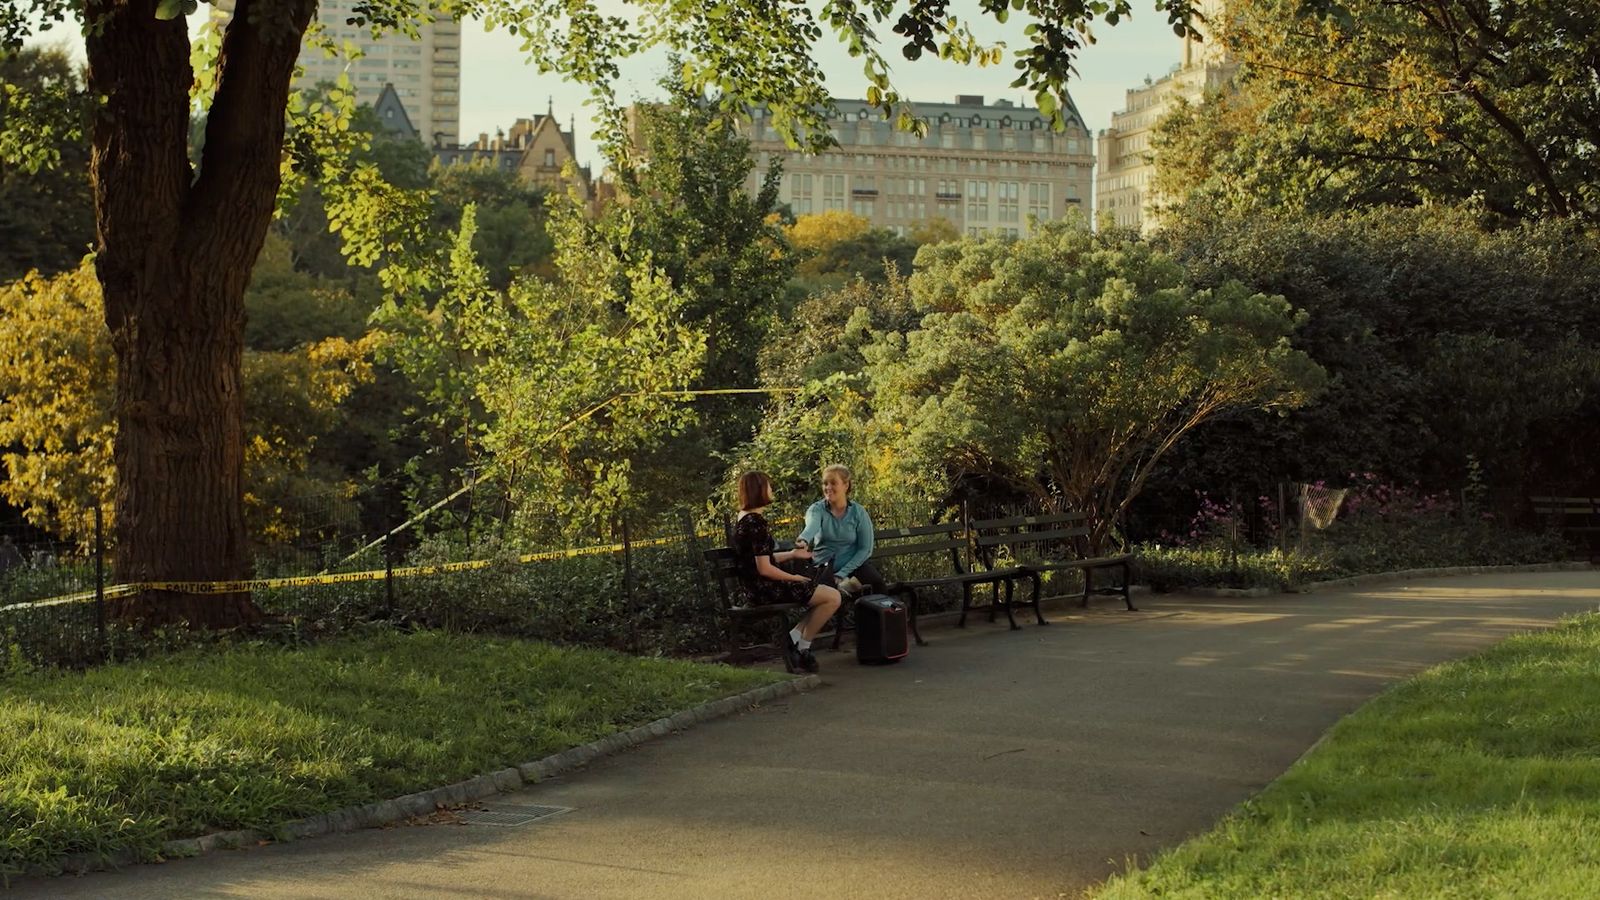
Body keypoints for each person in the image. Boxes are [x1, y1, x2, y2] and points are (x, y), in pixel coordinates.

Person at [732, 471, 842, 674]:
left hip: (755, 587)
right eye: (768, 486)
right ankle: (802, 647)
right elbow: (764, 568)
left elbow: (760, 559)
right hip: (764, 589)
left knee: (824, 595)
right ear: (759, 490)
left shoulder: (743, 518)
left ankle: (794, 640)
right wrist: (794, 578)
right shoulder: (756, 522)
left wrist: (792, 554)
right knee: (833, 597)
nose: (771, 489)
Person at [795, 464, 885, 597]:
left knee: (876, 581)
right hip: (825, 567)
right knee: (828, 594)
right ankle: (844, 588)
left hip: (852, 566)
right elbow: (811, 527)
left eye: (833, 483)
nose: (828, 488)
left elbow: (865, 549)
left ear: (846, 485)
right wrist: (803, 539)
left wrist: (842, 573)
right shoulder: (817, 509)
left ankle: (875, 613)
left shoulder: (858, 512)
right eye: (825, 483)